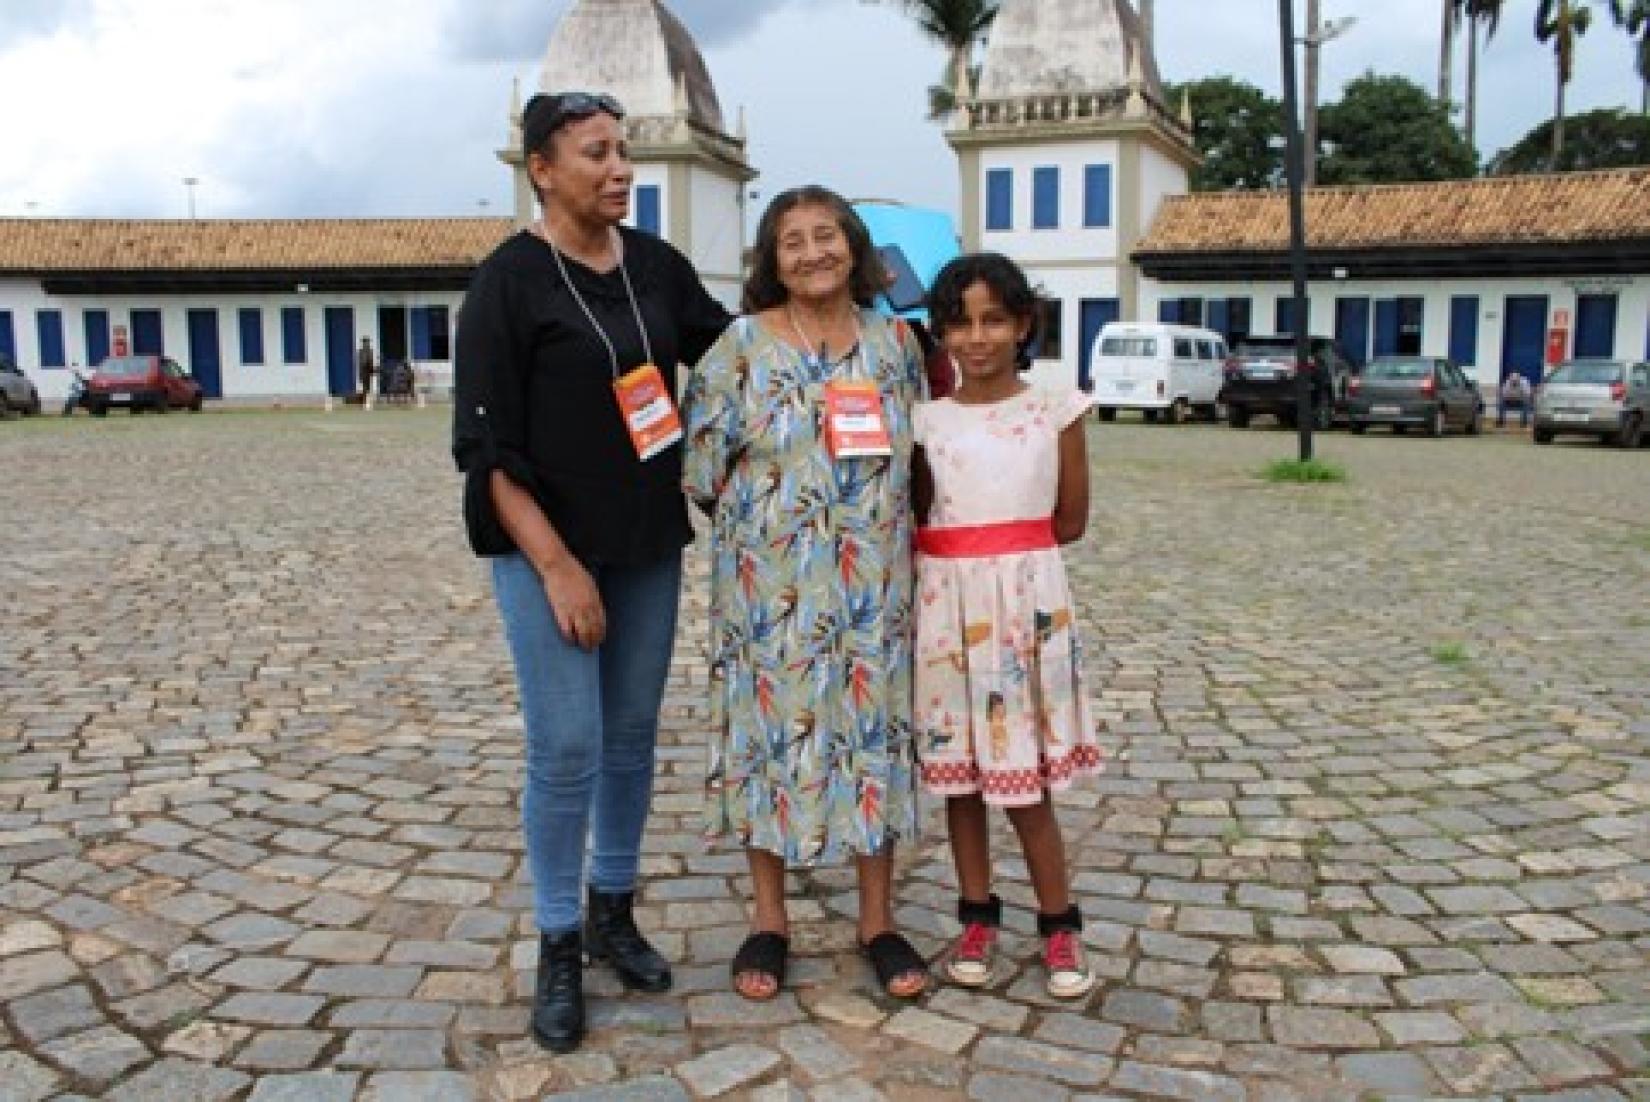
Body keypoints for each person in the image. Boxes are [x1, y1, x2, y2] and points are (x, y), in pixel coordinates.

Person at [451, 90, 732, 1053]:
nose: (620, 170)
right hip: (545, 548)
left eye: (625, 152)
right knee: (566, 745)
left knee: (631, 736)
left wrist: (852, 333)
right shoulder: (507, 285)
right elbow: (486, 458)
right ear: (542, 168)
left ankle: (615, 911)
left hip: (647, 542)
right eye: (596, 154)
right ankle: (559, 943)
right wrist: (560, 568)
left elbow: (733, 353)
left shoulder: (655, 265)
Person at [683, 185, 929, 1003]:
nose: (813, 252)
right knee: (768, 743)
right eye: (793, 241)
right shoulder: (739, 348)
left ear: (854, 248)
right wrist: (779, 531)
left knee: (870, 739)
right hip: (770, 586)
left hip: (875, 585)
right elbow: (703, 471)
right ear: (771, 260)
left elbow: (918, 456)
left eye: (827, 236)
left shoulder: (897, 344)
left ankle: (877, 920)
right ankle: (769, 918)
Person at [912, 252, 1104, 1000]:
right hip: (947, 617)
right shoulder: (926, 423)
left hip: (1023, 616)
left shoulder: (1056, 410)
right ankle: (975, 913)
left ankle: (1059, 922)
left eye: (994, 319)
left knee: (1026, 785)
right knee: (960, 781)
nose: (977, 336)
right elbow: (924, 515)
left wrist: (1009, 569)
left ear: (1024, 323)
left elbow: (1072, 519)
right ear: (941, 332)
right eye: (959, 322)